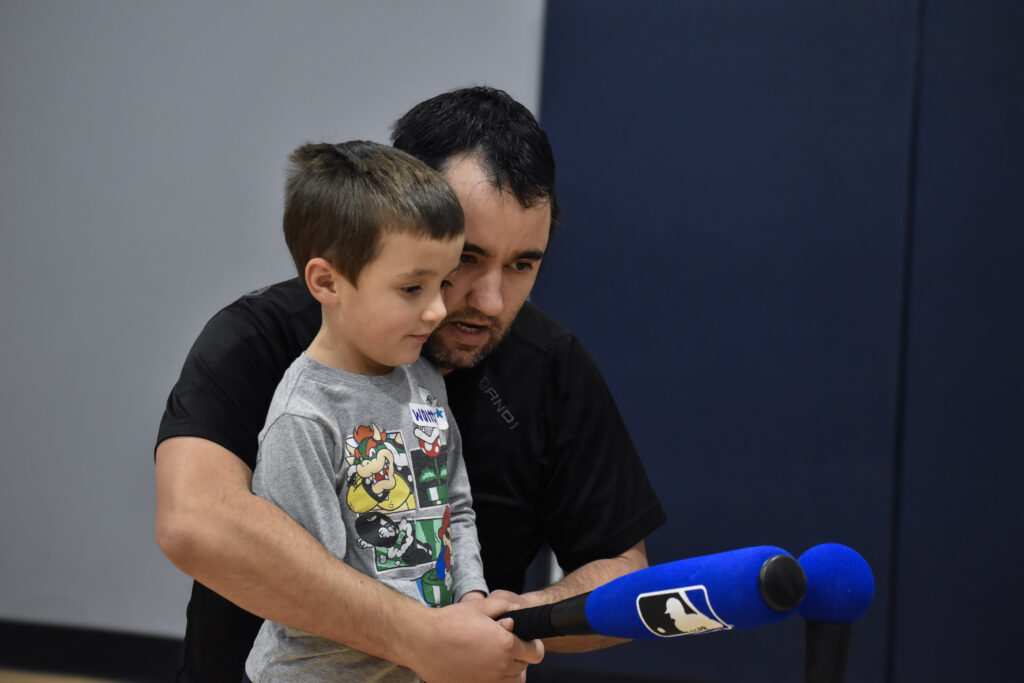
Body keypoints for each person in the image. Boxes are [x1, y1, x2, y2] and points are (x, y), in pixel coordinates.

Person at [155, 86, 666, 683]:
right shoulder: (262, 338)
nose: (491, 301)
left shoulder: (550, 367)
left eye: (523, 264)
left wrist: (512, 622)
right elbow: (197, 521)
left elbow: (623, 572)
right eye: (466, 259)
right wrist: (421, 636)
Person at [242, 140, 487, 681]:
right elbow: (311, 595)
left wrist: (472, 601)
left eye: (443, 283)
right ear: (327, 282)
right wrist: (437, 640)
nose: (438, 309)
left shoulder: (424, 379)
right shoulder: (303, 419)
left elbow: (456, 509)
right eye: (411, 287)